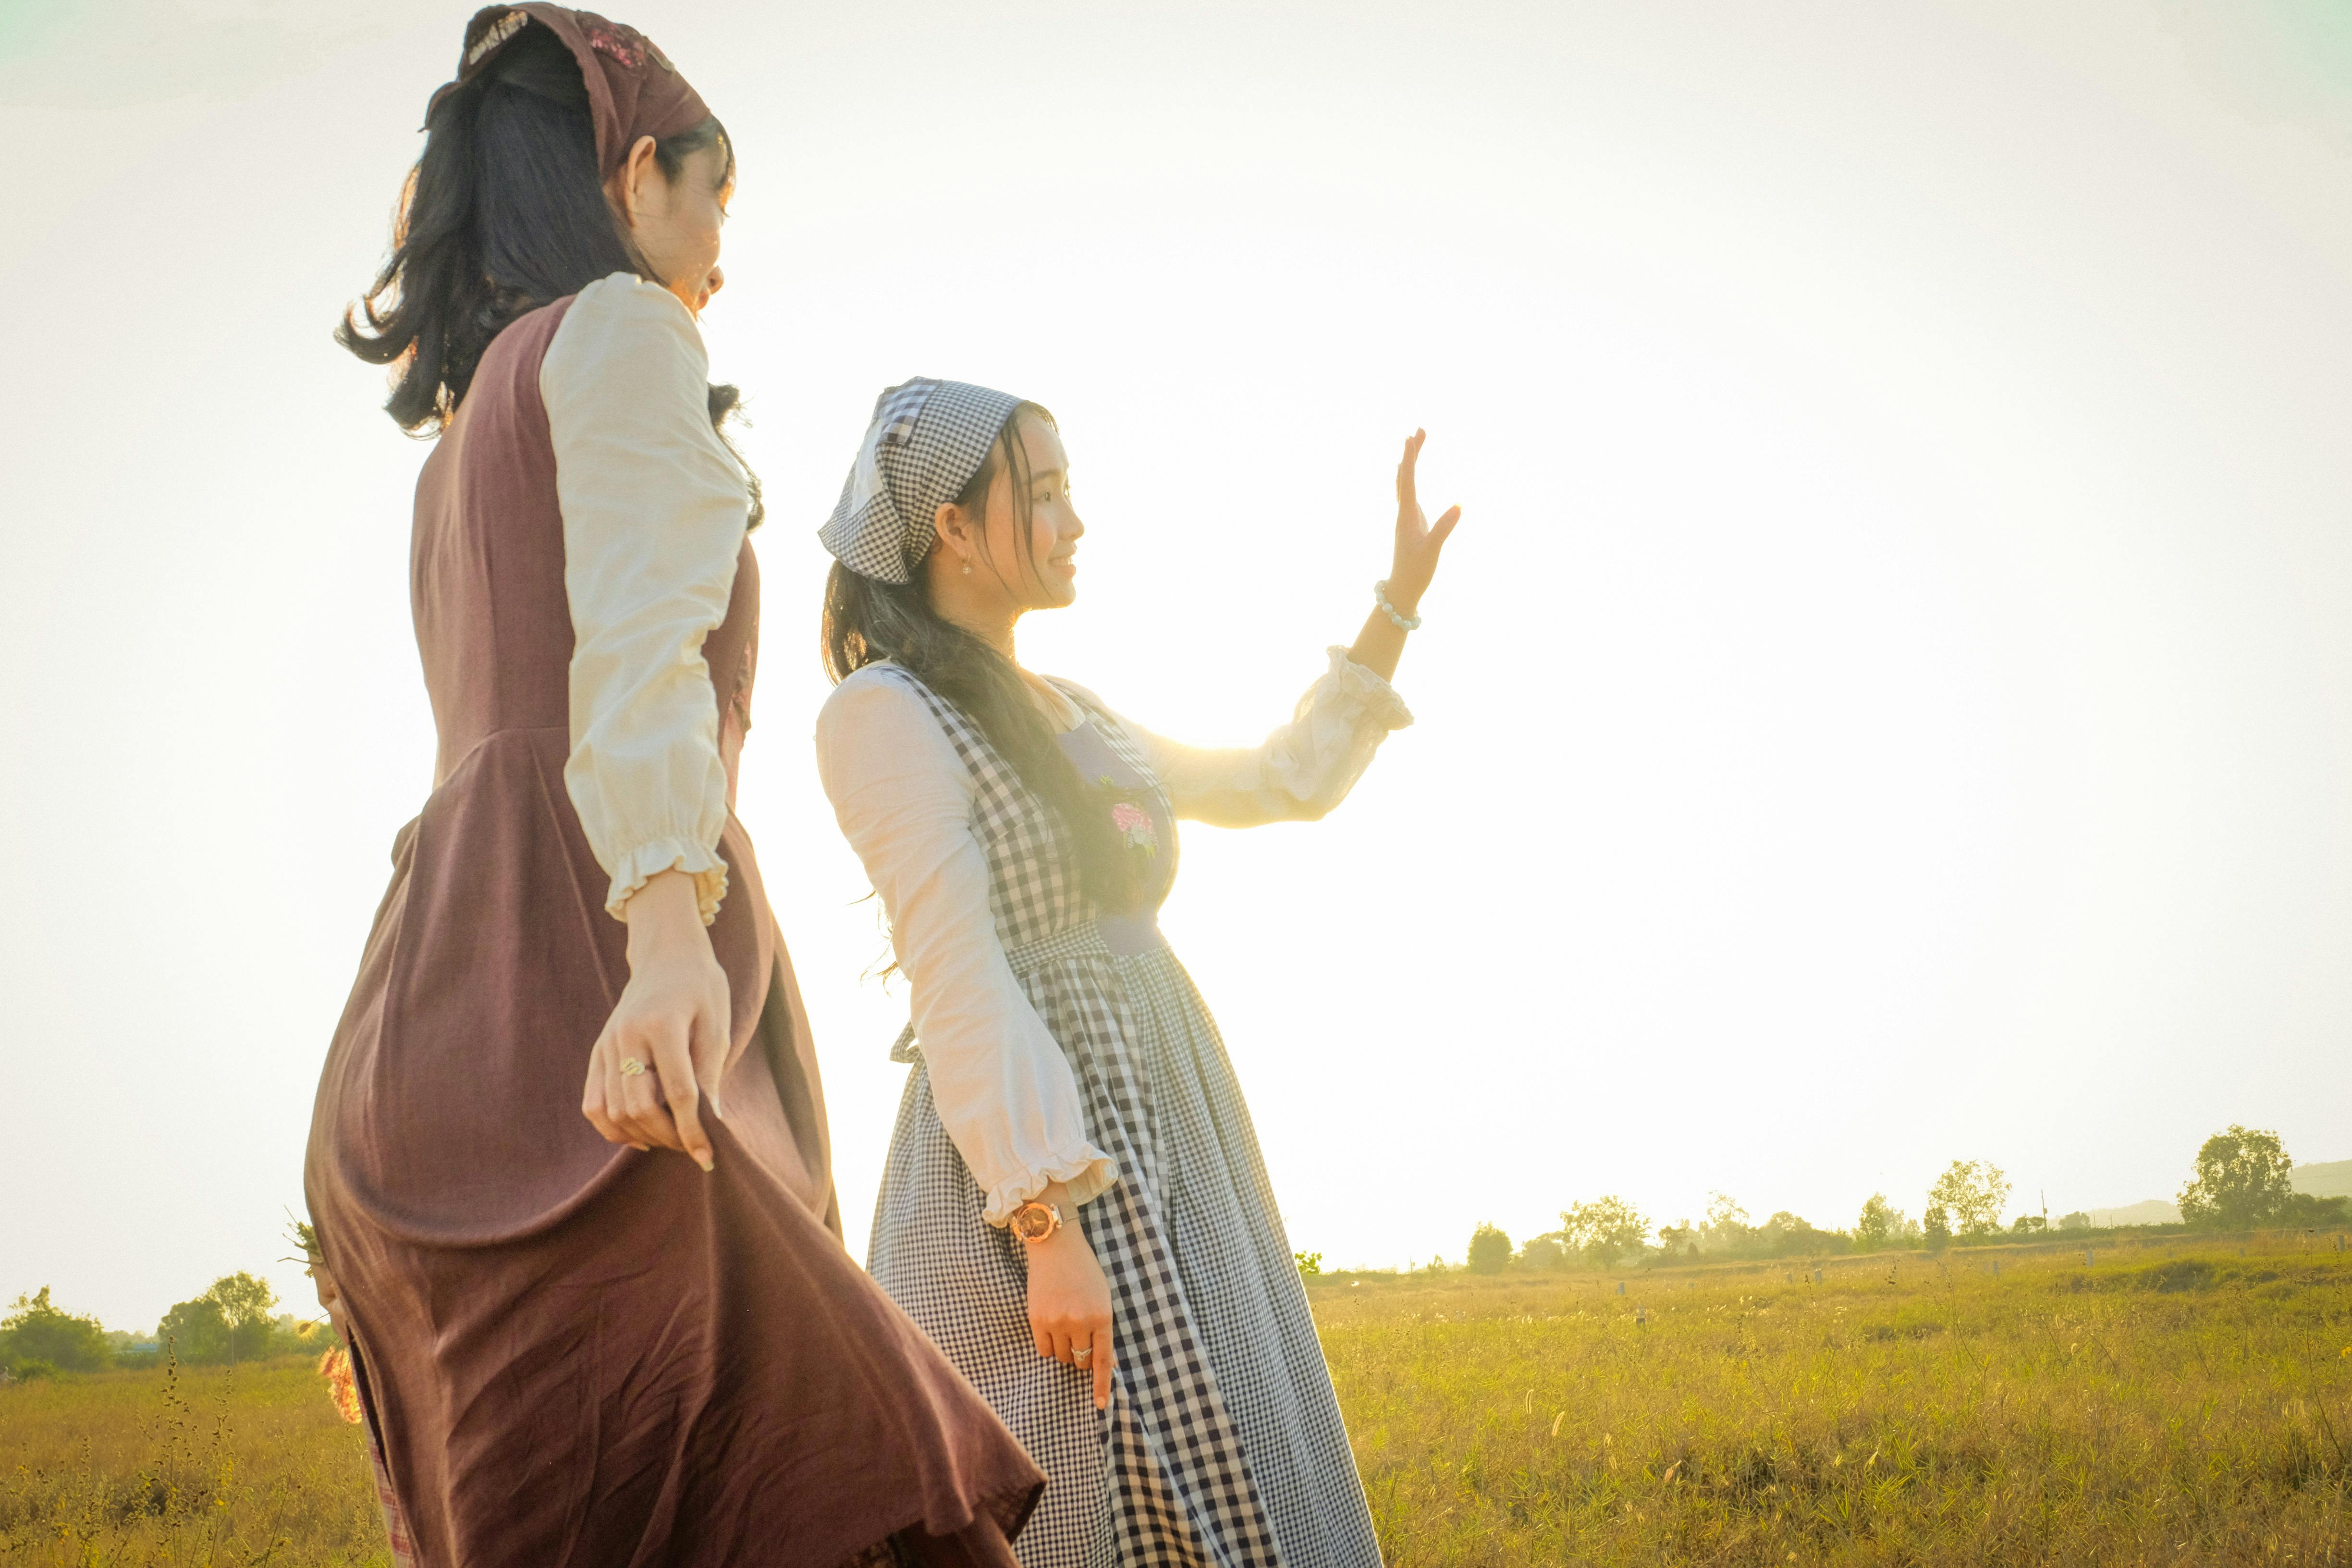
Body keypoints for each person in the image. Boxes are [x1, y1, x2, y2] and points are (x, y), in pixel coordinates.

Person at [304, 14, 1043, 1565]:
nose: (718, 257)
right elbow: (632, 666)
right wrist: (660, 941)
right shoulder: (625, 334)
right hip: (594, 966)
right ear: (635, 175)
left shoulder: (457, 445)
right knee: (818, 1479)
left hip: (435, 1003)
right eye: (713, 203)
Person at [813, 379, 1460, 1566]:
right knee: (1095, 1487)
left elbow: (1280, 781)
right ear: (951, 527)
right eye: (1044, 496)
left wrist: (1396, 609)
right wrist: (1046, 1222)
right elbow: (955, 975)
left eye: (1071, 493)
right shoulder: (883, 713)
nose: (1075, 522)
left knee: (1242, 1463)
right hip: (1036, 1156)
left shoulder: (1078, 711)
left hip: (1175, 1124)